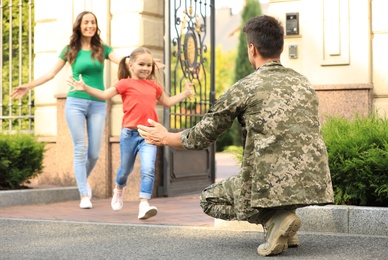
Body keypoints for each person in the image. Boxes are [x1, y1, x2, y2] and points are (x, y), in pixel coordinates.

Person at [137, 15, 334, 256]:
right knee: (272, 175)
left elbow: (203, 135)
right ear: (280, 47)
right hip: (312, 182)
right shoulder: (304, 83)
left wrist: (165, 137)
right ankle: (284, 225)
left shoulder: (245, 87)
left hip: (271, 180)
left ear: (252, 48)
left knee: (209, 199)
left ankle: (274, 219)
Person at [11, 11, 123, 209]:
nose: (90, 25)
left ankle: (83, 180)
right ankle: (83, 195)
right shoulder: (70, 49)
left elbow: (123, 61)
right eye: (86, 22)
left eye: (93, 23)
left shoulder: (102, 49)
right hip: (76, 103)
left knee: (95, 152)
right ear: (79, 25)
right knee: (80, 149)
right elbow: (51, 73)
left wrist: (145, 62)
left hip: (98, 103)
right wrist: (28, 86)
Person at [68, 47, 195, 220]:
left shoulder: (154, 86)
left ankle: (144, 204)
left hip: (149, 134)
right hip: (129, 134)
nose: (145, 68)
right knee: (124, 170)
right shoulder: (124, 83)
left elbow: (167, 101)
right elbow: (105, 95)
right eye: (141, 64)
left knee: (149, 168)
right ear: (131, 65)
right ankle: (119, 188)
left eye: (149, 65)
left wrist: (185, 93)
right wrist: (85, 88)